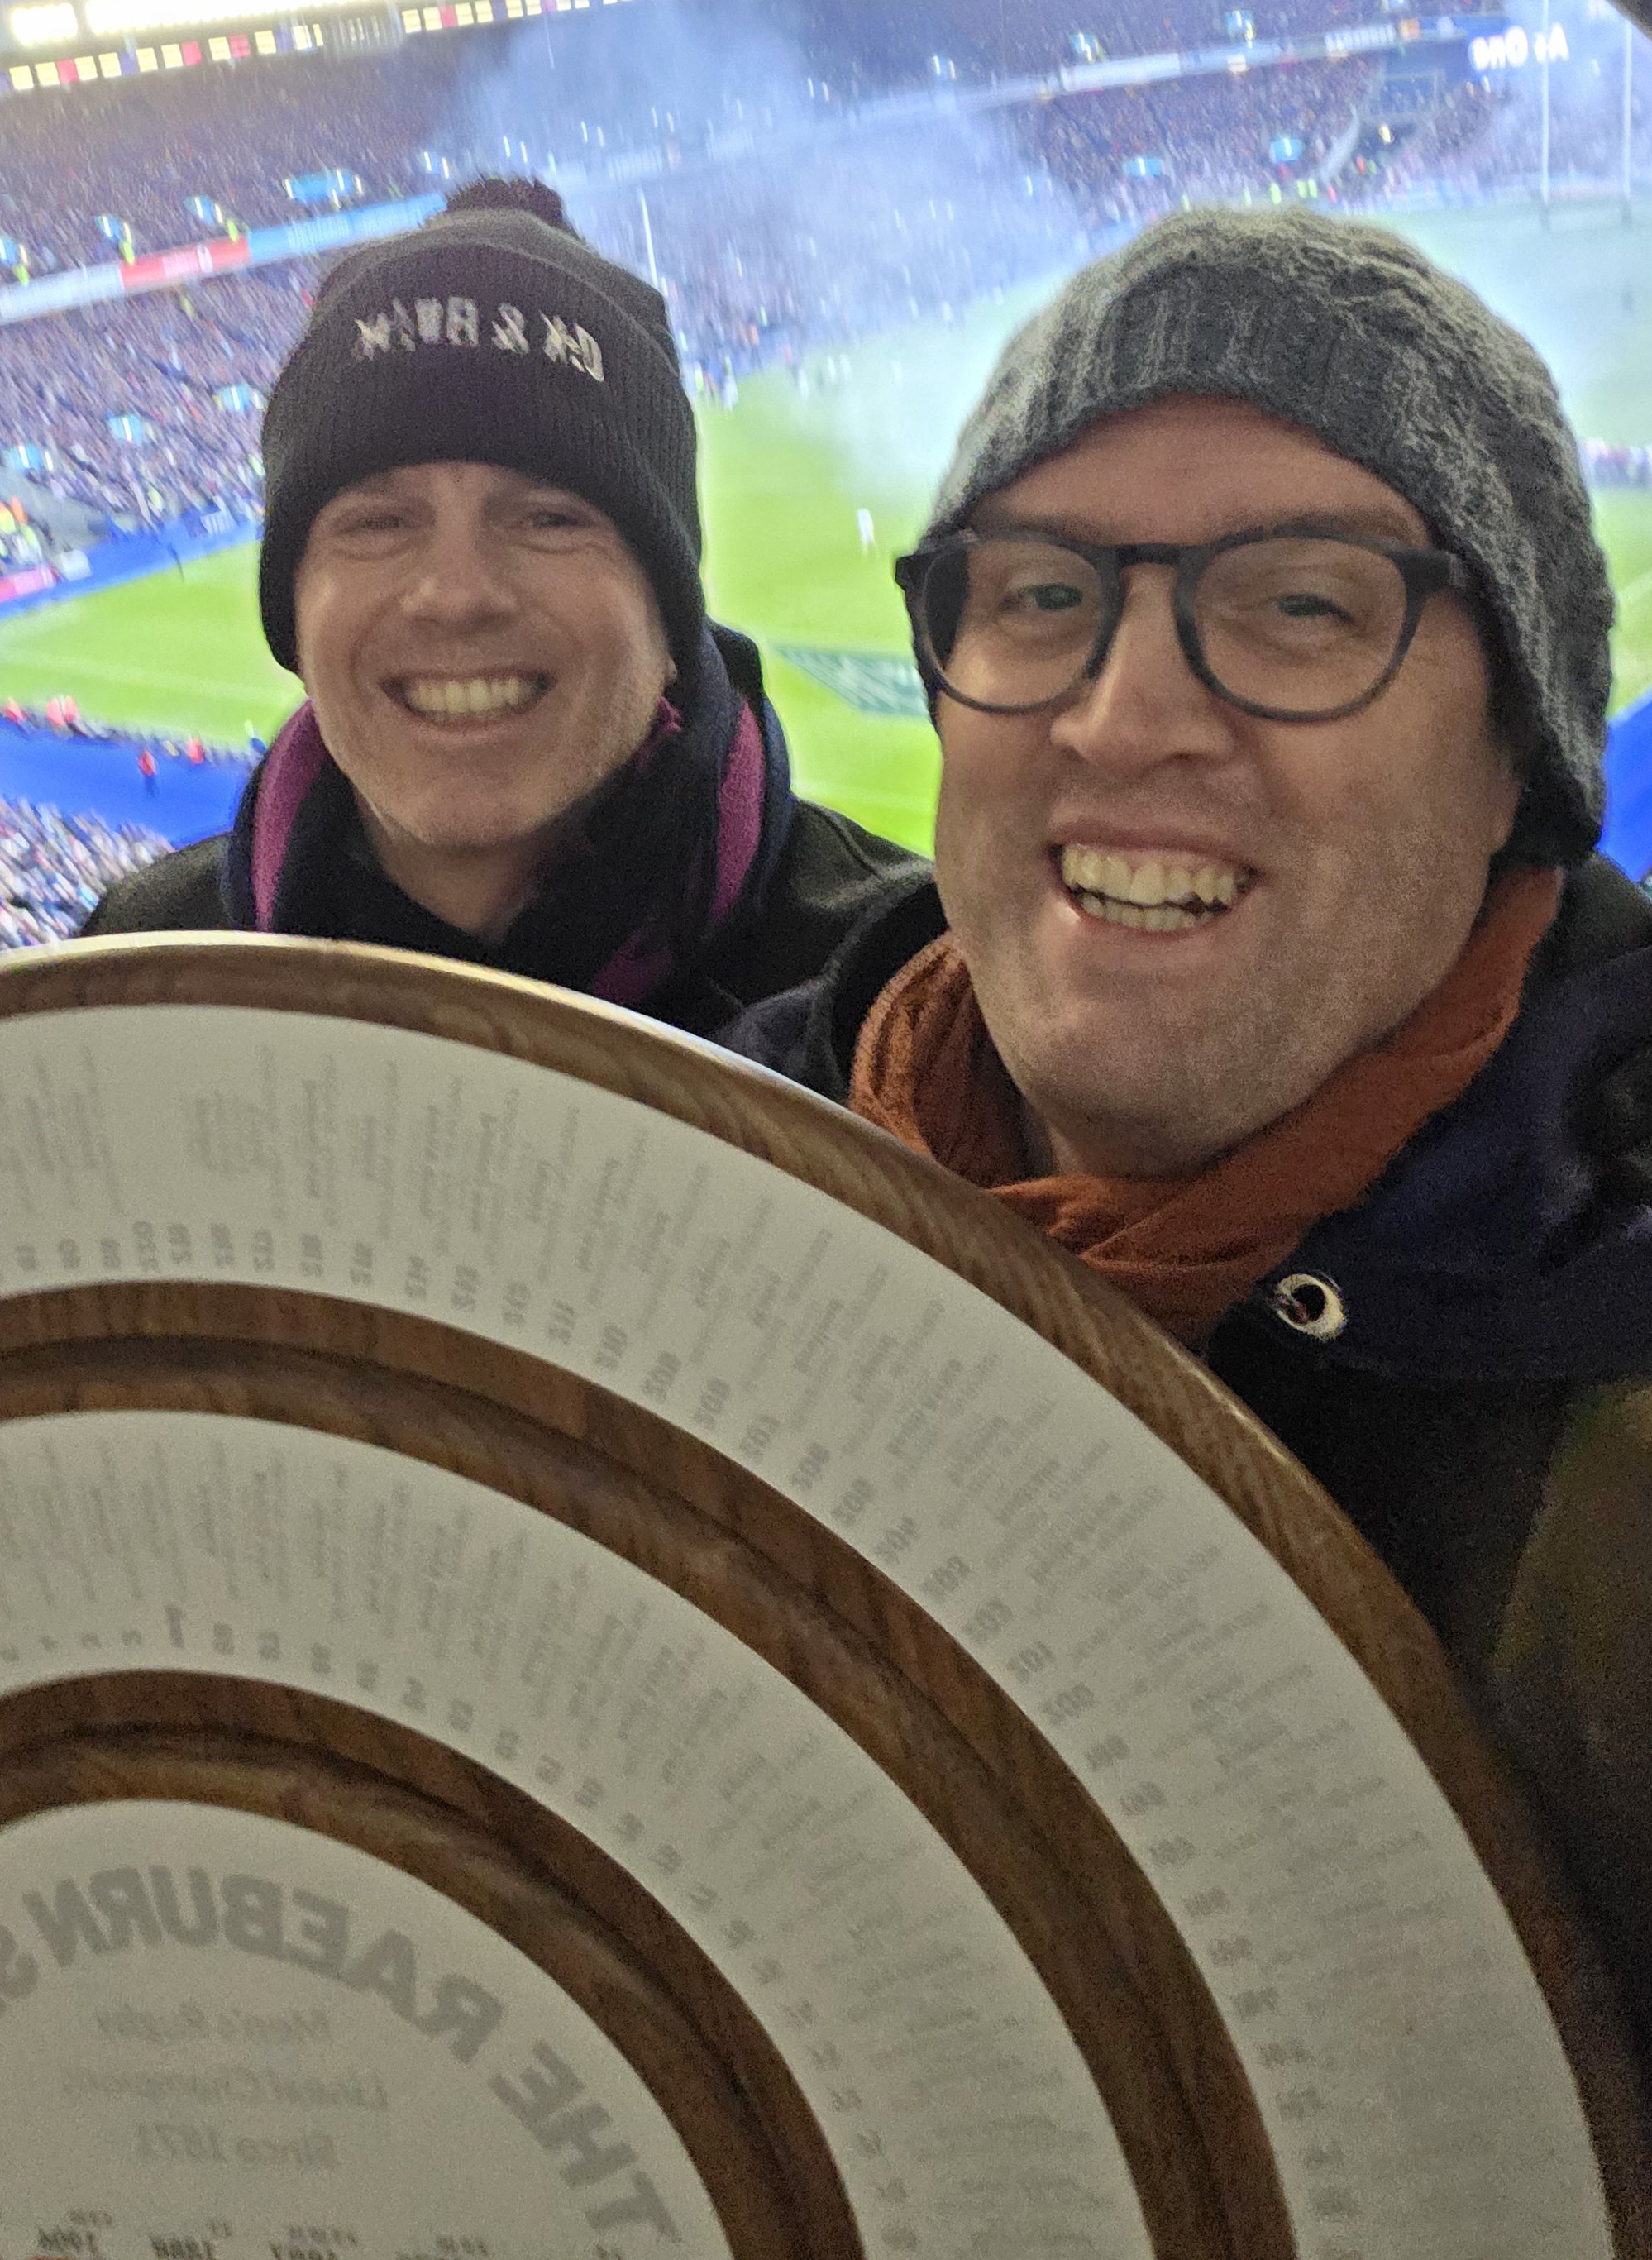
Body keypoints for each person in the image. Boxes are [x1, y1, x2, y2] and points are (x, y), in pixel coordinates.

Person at [726, 207, 1652, 2057]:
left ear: (1512, 774)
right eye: (1040, 596)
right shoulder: (681, 1203)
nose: (1125, 713)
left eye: (1298, 604)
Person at [84, 180, 923, 1032]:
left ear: (667, 612)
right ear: (293, 613)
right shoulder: (137, 974)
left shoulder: (909, 997)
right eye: (377, 523)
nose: (455, 595)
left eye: (548, 518)